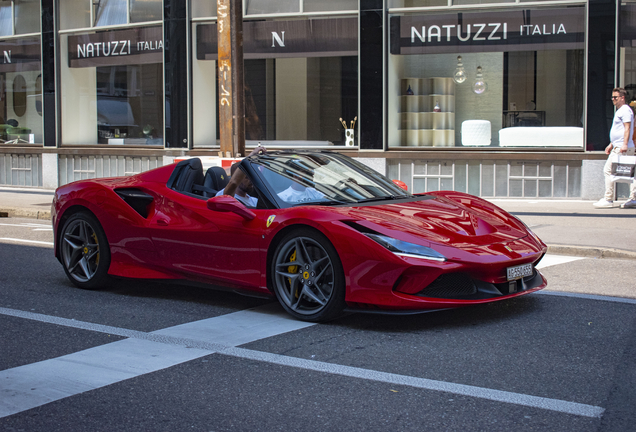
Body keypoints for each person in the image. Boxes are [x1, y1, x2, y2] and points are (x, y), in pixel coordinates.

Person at [594, 88, 636, 209]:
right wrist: (611, 144)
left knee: (608, 170)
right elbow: (619, 130)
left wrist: (624, 144)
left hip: (622, 147)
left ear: (622, 98)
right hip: (619, 146)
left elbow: (627, 128)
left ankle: (608, 198)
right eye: (612, 97)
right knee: (631, 173)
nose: (613, 99)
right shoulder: (621, 111)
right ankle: (633, 198)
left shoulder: (625, 111)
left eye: (615, 97)